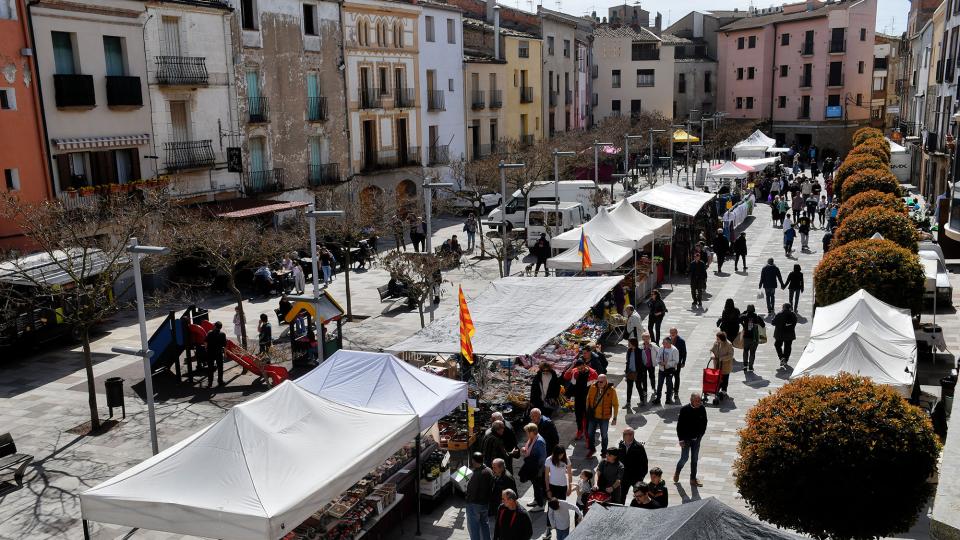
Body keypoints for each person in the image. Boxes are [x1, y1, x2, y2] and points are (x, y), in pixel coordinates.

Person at [674, 394, 707, 487]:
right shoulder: (684, 409)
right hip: (686, 439)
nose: (699, 403)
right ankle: (677, 471)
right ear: (691, 400)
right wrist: (680, 439)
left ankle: (693, 479)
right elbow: (679, 426)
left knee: (695, 459)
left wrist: (701, 434)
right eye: (697, 401)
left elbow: (705, 422)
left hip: (697, 439)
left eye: (700, 401)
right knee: (684, 458)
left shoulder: (702, 409)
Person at [585, 374, 618, 458]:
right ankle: (592, 449)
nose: (599, 383)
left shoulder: (611, 390)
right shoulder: (593, 387)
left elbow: (616, 405)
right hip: (593, 416)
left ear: (605, 381)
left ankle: (604, 451)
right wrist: (587, 412)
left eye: (601, 382)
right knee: (590, 433)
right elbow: (588, 399)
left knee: (604, 435)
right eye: (598, 381)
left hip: (604, 417)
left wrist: (614, 418)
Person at [563, 360, 598, 440]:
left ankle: (587, 432)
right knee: (578, 416)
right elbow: (566, 376)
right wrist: (572, 366)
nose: (580, 370)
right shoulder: (575, 371)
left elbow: (597, 387)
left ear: (585, 365)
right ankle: (580, 431)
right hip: (578, 397)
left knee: (587, 416)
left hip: (588, 398)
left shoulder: (593, 373)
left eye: (582, 368)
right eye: (578, 368)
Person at [466, 452, 494, 540]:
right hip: (485, 504)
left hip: (474, 504)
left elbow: (472, 491)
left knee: (474, 528)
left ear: (473, 461)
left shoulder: (476, 475)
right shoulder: (489, 470)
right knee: (485, 525)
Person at [519, 423, 548, 511]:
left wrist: (539, 471)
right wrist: (525, 449)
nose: (526, 434)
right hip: (532, 466)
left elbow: (542, 457)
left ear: (532, 432)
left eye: (527, 432)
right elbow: (530, 449)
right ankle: (536, 500)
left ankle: (540, 505)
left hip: (537, 468)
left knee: (537, 485)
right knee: (535, 485)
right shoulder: (533, 439)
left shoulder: (539, 441)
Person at [618, 427, 648, 504]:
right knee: (621, 496)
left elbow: (644, 463)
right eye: (624, 434)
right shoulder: (621, 445)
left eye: (626, 434)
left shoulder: (639, 447)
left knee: (639, 497)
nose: (624, 436)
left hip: (635, 477)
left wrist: (641, 477)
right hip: (624, 477)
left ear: (632, 435)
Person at [653, 337, 680, 405]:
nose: (663, 344)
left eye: (664, 343)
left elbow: (676, 361)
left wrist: (667, 363)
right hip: (661, 369)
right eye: (663, 342)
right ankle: (658, 398)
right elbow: (658, 357)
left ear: (669, 343)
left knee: (669, 384)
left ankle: (668, 399)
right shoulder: (662, 347)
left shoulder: (674, 350)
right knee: (659, 384)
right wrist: (659, 362)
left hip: (669, 370)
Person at [738, 305, 765, 372]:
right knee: (752, 352)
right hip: (754, 337)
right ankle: (750, 366)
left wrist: (743, 325)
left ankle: (745, 365)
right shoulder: (757, 317)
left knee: (745, 350)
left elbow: (738, 319)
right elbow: (763, 325)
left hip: (746, 336)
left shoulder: (744, 316)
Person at [772, 303, 798, 369]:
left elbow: (773, 322)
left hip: (780, 334)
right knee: (788, 347)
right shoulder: (793, 315)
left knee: (777, 345)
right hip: (789, 334)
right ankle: (785, 359)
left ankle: (781, 357)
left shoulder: (779, 314)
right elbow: (795, 322)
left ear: (784, 307)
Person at [710, 331, 734, 398]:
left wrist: (722, 358)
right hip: (717, 365)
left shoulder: (728, 344)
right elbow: (712, 350)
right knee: (718, 379)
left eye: (718, 338)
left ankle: (724, 391)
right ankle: (717, 390)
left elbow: (731, 355)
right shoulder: (716, 343)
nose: (716, 340)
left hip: (725, 366)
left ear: (722, 338)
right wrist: (712, 355)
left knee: (725, 379)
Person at [638, 333, 659, 406]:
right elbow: (638, 352)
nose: (645, 340)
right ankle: (645, 391)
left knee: (652, 376)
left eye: (647, 338)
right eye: (644, 338)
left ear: (649, 338)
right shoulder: (640, 345)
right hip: (643, 365)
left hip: (651, 364)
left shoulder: (653, 345)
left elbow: (659, 351)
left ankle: (653, 388)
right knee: (644, 378)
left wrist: (652, 347)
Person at [205, 321, 227, 387]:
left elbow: (205, 343)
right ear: (221, 327)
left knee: (210, 368)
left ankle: (210, 383)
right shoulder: (222, 334)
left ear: (214, 326)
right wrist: (225, 354)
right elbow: (225, 346)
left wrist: (206, 349)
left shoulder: (209, 333)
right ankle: (220, 381)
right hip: (218, 352)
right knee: (220, 367)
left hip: (210, 352)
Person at [668, 328, 687, 403]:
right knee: (669, 377)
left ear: (677, 333)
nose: (672, 334)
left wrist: (683, 362)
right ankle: (671, 388)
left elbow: (684, 352)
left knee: (676, 376)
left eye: (674, 332)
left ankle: (676, 391)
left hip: (677, 362)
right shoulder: (667, 339)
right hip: (669, 362)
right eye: (671, 332)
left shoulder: (681, 341)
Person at [624, 338, 641, 408]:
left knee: (638, 386)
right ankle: (628, 403)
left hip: (637, 372)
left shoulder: (640, 351)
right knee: (629, 388)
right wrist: (626, 372)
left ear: (633, 343)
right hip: (630, 372)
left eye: (629, 343)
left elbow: (644, 361)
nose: (628, 344)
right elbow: (627, 361)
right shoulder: (629, 351)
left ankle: (642, 400)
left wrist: (640, 371)